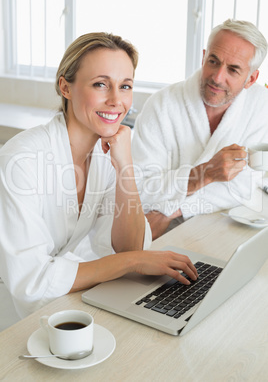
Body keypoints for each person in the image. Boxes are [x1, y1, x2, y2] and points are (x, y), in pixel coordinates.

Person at [0, 33, 198, 318]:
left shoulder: (105, 153)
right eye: (101, 84)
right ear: (65, 87)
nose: (117, 100)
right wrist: (132, 263)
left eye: (125, 86)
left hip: (59, 298)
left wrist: (124, 165)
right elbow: (31, 281)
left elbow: (128, 246)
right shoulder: (22, 160)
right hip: (13, 311)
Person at [132, 19, 268, 240]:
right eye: (213, 61)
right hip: (160, 237)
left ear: (251, 78)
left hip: (220, 226)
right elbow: (140, 191)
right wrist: (203, 174)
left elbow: (241, 190)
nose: (217, 77)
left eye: (233, 70)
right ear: (204, 56)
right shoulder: (161, 105)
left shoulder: (260, 105)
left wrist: (173, 210)